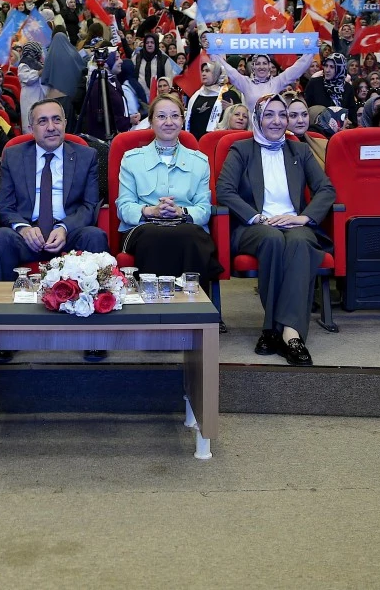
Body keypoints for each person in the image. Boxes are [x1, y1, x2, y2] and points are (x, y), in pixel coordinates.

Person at [217, 94, 335, 365]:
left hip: (294, 223)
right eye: (269, 114)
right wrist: (257, 218)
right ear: (258, 118)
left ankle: (287, 333)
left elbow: (326, 189)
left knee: (300, 242)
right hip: (256, 226)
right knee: (272, 239)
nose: (277, 121)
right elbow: (224, 190)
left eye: (283, 115)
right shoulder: (241, 150)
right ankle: (274, 328)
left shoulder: (299, 151)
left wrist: (304, 218)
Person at [0, 99, 108, 363]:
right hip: (27, 234)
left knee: (95, 235)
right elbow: (5, 206)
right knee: (1, 238)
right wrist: (22, 228)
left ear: (65, 123)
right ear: (30, 127)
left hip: (68, 234)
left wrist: (64, 227)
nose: (51, 127)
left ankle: (94, 334)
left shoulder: (86, 156)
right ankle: (4, 332)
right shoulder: (14, 156)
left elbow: (89, 206)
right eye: (43, 121)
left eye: (56, 120)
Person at [116, 94, 222, 293]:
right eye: (161, 116)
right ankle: (153, 304)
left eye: (175, 116)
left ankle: (197, 306)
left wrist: (182, 212)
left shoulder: (199, 161)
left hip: (186, 226)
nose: (168, 122)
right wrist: (151, 211)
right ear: (151, 121)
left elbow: (204, 209)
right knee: (155, 234)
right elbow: (124, 207)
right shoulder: (131, 160)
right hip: (144, 227)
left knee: (190, 235)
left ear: (182, 120)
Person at [219, 51, 313, 108]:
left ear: (269, 67)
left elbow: (297, 69)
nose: (261, 67)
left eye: (264, 63)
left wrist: (311, 51)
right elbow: (229, 70)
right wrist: (214, 53)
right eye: (258, 64)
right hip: (252, 130)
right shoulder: (245, 83)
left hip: (273, 128)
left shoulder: (277, 82)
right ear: (253, 67)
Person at [184, 60, 241, 140]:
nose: (203, 73)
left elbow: (240, 119)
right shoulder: (196, 95)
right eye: (202, 71)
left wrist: (231, 110)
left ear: (216, 73)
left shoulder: (228, 94)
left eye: (207, 71)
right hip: (194, 141)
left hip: (217, 141)